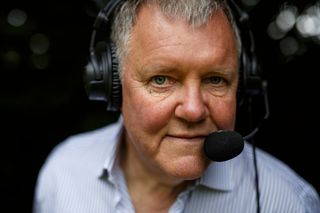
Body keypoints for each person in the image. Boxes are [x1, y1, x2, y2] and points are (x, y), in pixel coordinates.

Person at [33, 0, 320, 212]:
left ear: (242, 86)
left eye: (216, 80)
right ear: (112, 86)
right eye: (161, 79)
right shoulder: (62, 172)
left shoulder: (289, 202)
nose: (194, 110)